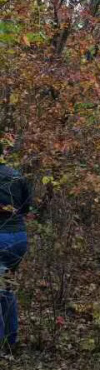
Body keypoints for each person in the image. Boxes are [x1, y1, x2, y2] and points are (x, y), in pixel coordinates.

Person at [0, 147, 32, 349]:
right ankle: (10, 342)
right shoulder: (16, 175)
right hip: (19, 238)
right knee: (5, 288)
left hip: (1, 239)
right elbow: (27, 207)